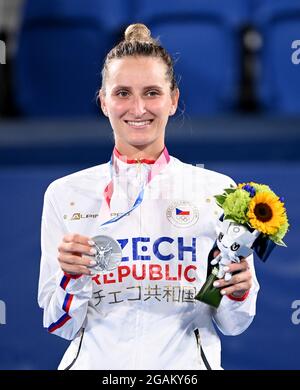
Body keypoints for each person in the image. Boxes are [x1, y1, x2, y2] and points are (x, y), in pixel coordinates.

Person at [38, 23, 259, 370]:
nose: (138, 108)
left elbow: (234, 324)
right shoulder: (66, 194)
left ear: (173, 100)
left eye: (152, 92)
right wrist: (72, 278)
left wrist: (239, 292)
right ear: (103, 101)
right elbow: (58, 325)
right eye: (122, 93)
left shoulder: (217, 192)